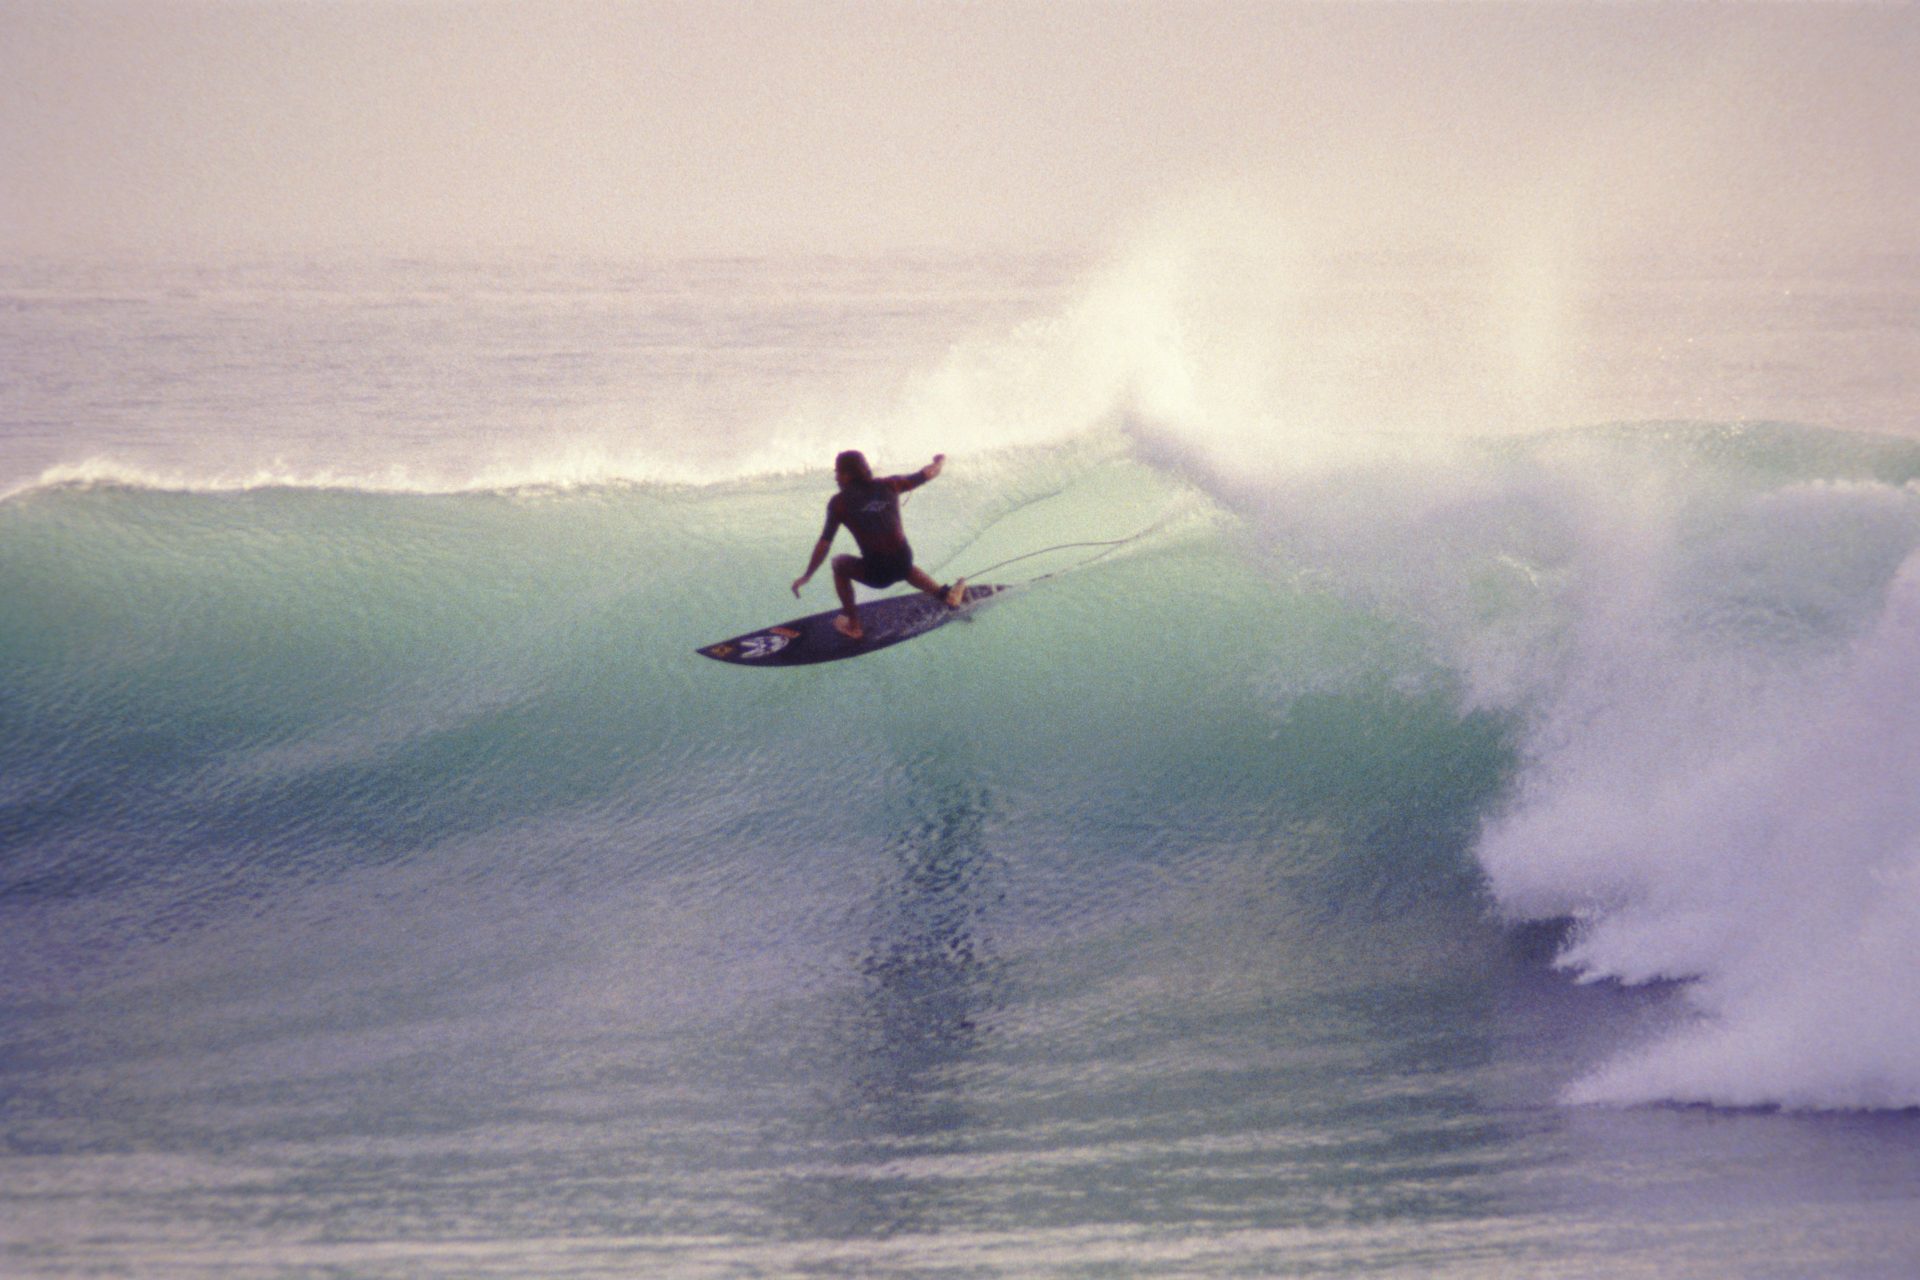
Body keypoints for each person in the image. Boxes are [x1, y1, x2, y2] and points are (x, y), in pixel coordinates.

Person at [792, 450, 965, 640]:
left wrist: (807, 575)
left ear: (847, 475)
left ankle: (854, 625)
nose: (836, 477)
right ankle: (944, 595)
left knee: (838, 563)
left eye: (837, 472)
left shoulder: (839, 503)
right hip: (904, 560)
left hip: (879, 574)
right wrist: (940, 461)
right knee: (902, 565)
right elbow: (928, 473)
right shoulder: (890, 484)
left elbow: (825, 542)